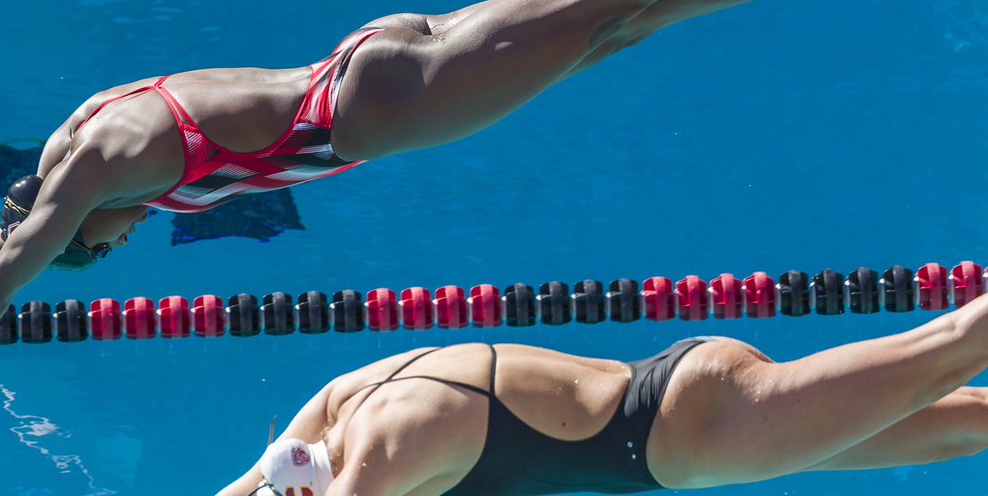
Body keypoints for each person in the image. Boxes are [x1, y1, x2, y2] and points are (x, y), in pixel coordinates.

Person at [0, 0, 951, 446]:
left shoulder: (102, 168)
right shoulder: (85, 135)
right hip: (369, 65)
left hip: (377, 111)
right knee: (607, 29)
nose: (118, 241)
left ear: (74, 219)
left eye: (98, 247)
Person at [217, 292, 988, 495]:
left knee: (948, 346)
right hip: (681, 398)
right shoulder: (340, 401)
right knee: (966, 427)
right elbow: (244, 485)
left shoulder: (383, 452)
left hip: (700, 434)